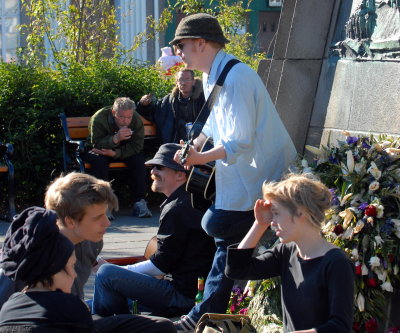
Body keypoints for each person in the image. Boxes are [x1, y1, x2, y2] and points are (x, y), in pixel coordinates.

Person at [169, 13, 297, 332]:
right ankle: (207, 313)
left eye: (181, 45)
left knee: (219, 228)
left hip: (261, 180)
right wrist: (193, 146)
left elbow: (240, 140)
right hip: (242, 180)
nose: (179, 53)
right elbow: (211, 123)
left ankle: (203, 315)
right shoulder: (215, 74)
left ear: (201, 43)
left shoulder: (237, 76)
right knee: (222, 236)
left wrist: (200, 158)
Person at [0, 172, 176, 333]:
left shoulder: (92, 242)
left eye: (106, 214)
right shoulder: (32, 249)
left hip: (72, 317)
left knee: (160, 326)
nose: (107, 223)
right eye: (98, 217)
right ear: (70, 222)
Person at [92, 143, 216, 318]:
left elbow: (160, 265)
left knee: (106, 275)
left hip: (182, 296)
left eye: (160, 167)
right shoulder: (186, 201)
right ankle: (112, 323)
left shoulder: (178, 208)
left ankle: (107, 326)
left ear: (181, 174)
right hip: (184, 290)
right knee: (87, 304)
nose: (153, 171)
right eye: (152, 167)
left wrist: (114, 268)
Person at [226, 174, 355, 332]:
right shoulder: (286, 252)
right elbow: (237, 269)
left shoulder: (336, 263)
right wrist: (259, 224)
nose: (272, 222)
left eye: (277, 213)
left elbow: (340, 327)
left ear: (301, 213)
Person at [0, 207, 94, 332]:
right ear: (53, 271)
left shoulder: (8, 307)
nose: (74, 275)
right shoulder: (71, 308)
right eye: (71, 267)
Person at [84, 97, 152, 218]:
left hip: (122, 151)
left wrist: (116, 153)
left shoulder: (136, 119)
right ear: (114, 113)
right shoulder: (99, 117)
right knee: (98, 161)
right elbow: (96, 143)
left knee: (138, 160)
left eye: (129, 117)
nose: (126, 121)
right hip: (100, 150)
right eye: (122, 117)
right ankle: (102, 204)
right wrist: (115, 139)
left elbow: (137, 146)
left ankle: (140, 202)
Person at [137, 69, 205, 144]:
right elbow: (153, 113)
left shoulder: (203, 99)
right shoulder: (168, 100)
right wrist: (144, 105)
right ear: (176, 82)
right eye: (180, 79)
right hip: (173, 145)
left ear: (193, 82)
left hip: (199, 144)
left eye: (187, 79)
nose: (183, 82)